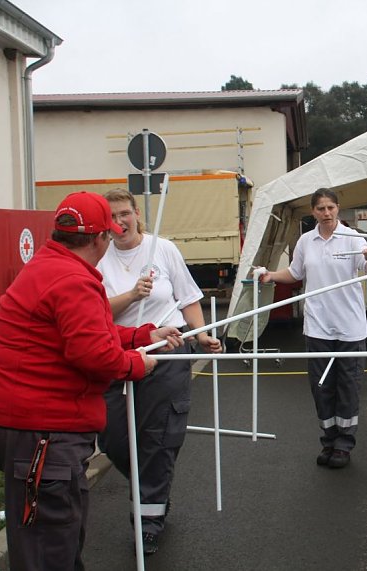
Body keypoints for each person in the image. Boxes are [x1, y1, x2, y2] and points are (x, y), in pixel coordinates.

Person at [0, 191, 183, 571]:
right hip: (40, 431)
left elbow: (88, 333)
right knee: (49, 543)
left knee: (52, 531)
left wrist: (142, 335)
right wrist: (138, 364)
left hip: (20, 424)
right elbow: (95, 356)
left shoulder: (49, 266)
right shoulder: (73, 280)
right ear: (102, 238)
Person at [96, 189, 223, 555]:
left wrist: (201, 336)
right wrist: (132, 295)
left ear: (137, 213)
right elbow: (93, 309)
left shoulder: (162, 249)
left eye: (124, 214)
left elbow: (187, 297)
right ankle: (151, 487)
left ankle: (148, 520)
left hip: (167, 351)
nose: (119, 223)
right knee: (114, 438)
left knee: (159, 437)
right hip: (118, 354)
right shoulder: (98, 256)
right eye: (112, 218)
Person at [258, 188, 367, 469]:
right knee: (322, 386)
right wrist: (270, 275)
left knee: (347, 386)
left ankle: (344, 445)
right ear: (313, 211)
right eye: (321, 209)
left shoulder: (352, 238)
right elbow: (295, 273)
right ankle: (329, 439)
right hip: (317, 326)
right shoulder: (305, 241)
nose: (326, 213)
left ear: (338, 209)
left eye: (331, 208)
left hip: (349, 326)